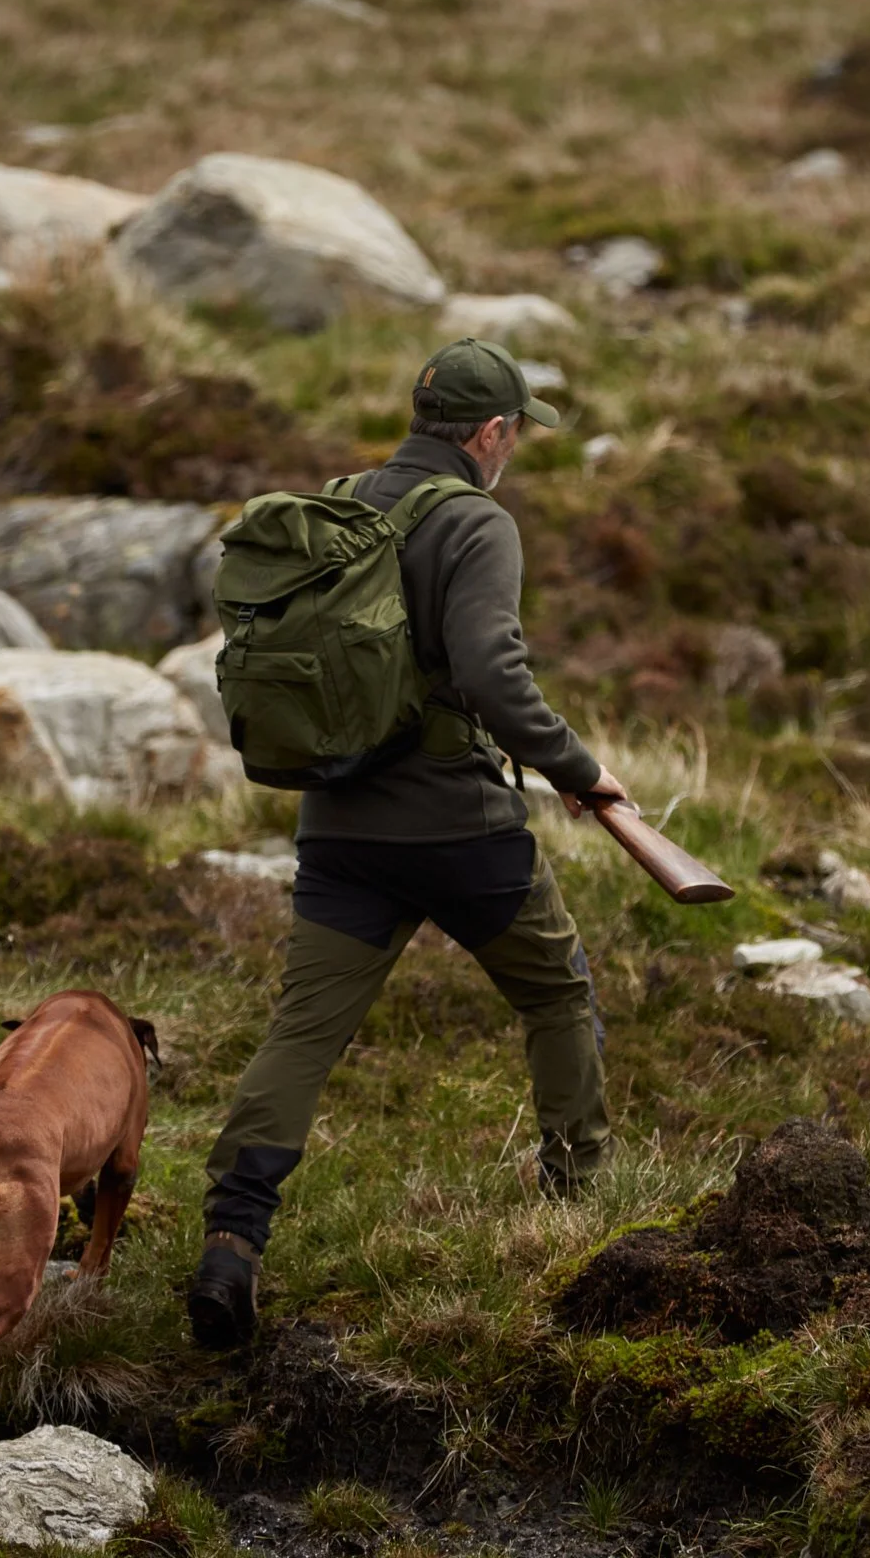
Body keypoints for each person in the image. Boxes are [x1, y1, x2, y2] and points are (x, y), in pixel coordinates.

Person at [187, 337, 628, 1350]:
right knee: (557, 993)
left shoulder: (342, 501)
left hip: (338, 824)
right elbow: (489, 673)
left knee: (305, 1030)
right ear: (488, 433)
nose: (513, 448)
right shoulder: (477, 523)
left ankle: (231, 1240)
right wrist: (579, 770)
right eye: (515, 431)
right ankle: (576, 1207)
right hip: (458, 827)